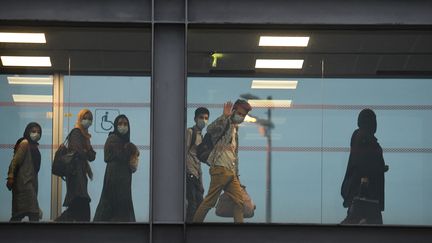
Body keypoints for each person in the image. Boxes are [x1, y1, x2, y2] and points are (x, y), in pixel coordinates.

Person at [193, 100, 252, 223]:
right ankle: (195, 227)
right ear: (233, 111)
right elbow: (210, 129)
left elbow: (234, 155)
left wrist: (236, 174)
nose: (241, 117)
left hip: (230, 172)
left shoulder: (235, 130)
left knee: (239, 202)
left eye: (243, 115)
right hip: (220, 169)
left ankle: (239, 232)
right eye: (239, 113)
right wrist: (225, 116)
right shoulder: (225, 123)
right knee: (209, 202)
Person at [341, 108, 387, 224]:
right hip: (363, 195)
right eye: (372, 120)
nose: (375, 124)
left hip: (371, 197)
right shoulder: (361, 137)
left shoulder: (371, 142)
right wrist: (379, 168)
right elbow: (362, 163)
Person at [94, 114, 138, 222]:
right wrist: (130, 149)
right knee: (112, 210)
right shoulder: (112, 139)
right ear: (115, 126)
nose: (123, 126)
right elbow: (118, 155)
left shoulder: (124, 141)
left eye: (125, 124)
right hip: (114, 182)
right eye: (120, 124)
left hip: (123, 183)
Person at [56, 109, 96, 222]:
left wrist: (86, 151)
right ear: (80, 119)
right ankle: (57, 225)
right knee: (80, 205)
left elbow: (92, 156)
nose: (87, 121)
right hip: (75, 173)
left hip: (80, 174)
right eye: (85, 118)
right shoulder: (76, 133)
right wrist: (85, 151)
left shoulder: (85, 137)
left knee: (78, 206)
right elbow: (79, 152)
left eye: (89, 119)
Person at [6, 122, 42, 222]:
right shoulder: (25, 143)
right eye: (33, 131)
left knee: (20, 214)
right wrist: (10, 177)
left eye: (38, 132)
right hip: (23, 184)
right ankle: (34, 236)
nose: (36, 134)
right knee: (33, 212)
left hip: (30, 183)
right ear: (27, 132)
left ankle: (11, 235)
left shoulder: (34, 147)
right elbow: (15, 162)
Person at [185, 107, 210, 222]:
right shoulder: (190, 132)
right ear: (195, 119)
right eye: (201, 117)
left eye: (206, 118)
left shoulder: (202, 136)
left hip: (197, 172)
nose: (204, 120)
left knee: (200, 203)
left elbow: (200, 157)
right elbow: (184, 152)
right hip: (190, 171)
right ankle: (190, 228)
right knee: (193, 202)